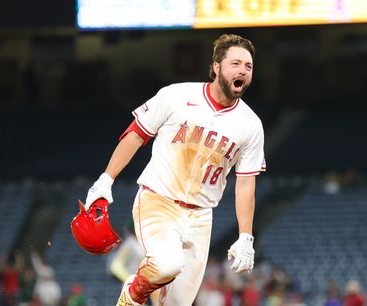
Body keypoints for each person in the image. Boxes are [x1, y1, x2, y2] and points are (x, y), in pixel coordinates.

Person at [83, 34, 266, 306]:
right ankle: (132, 293)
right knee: (166, 265)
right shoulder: (177, 95)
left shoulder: (250, 124)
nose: (242, 70)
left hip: (201, 216)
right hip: (159, 200)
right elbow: (136, 134)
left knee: (178, 304)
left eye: (248, 66)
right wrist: (105, 179)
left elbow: (245, 183)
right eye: (235, 63)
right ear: (216, 67)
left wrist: (245, 236)